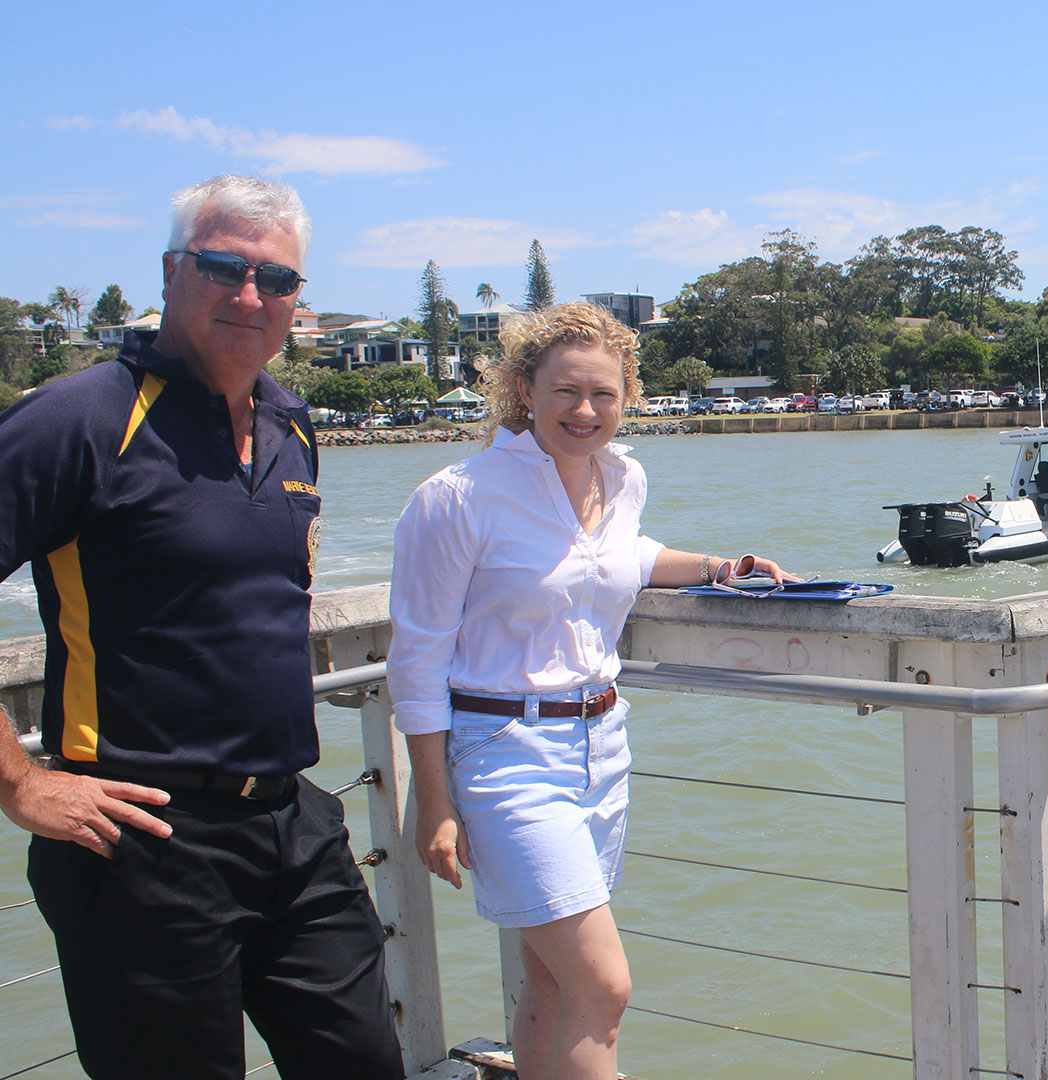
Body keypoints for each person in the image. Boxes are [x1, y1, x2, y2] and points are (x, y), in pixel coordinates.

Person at [0, 176, 404, 1078]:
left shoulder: (290, 422)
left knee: (368, 1062)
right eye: (224, 268)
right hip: (140, 838)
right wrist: (19, 783)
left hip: (292, 821)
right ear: (171, 273)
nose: (251, 296)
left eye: (278, 279)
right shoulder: (81, 417)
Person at [388, 302, 799, 1080]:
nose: (585, 411)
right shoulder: (457, 498)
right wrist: (434, 801)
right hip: (503, 752)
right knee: (602, 987)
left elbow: (622, 556)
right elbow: (416, 659)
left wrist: (719, 567)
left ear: (627, 396)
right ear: (524, 390)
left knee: (552, 981)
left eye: (603, 394)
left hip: (602, 748)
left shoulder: (624, 478)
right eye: (566, 391)